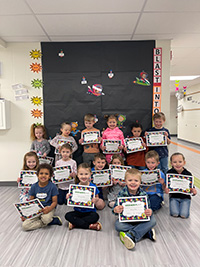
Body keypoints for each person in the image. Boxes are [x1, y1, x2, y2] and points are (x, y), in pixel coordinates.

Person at [113, 168, 156, 250]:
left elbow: (148, 208)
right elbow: (114, 210)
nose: (133, 183)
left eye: (136, 181)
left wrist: (149, 211)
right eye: (130, 180)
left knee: (153, 220)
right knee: (118, 226)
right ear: (125, 182)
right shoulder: (122, 193)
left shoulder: (143, 194)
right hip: (127, 220)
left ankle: (131, 235)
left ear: (140, 182)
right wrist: (116, 209)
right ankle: (145, 232)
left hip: (140, 219)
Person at [22, 163, 62, 231]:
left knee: (46, 219)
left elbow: (55, 202)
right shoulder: (34, 186)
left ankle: (47, 220)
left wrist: (49, 209)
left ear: (50, 176)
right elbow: (31, 202)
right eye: (41, 173)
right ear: (37, 175)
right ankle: (51, 221)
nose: (43, 175)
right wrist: (26, 214)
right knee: (25, 226)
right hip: (37, 209)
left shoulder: (53, 187)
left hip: (49, 208)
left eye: (46, 174)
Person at [65, 163, 102, 231]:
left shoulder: (93, 187)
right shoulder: (75, 187)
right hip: (78, 211)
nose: (83, 176)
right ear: (77, 175)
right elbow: (71, 197)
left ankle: (75, 223)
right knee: (67, 215)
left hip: (89, 211)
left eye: (86, 174)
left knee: (95, 216)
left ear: (90, 174)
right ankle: (89, 226)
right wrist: (68, 196)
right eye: (81, 174)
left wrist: (96, 200)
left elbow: (97, 197)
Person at [166, 152, 197, 218]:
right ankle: (175, 204)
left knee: (184, 215)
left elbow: (191, 187)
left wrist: (193, 191)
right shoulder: (169, 173)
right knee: (175, 214)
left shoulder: (188, 174)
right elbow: (167, 186)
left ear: (184, 162)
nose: (177, 164)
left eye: (180, 162)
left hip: (185, 198)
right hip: (174, 197)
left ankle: (183, 205)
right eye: (174, 162)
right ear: (171, 163)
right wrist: (166, 189)